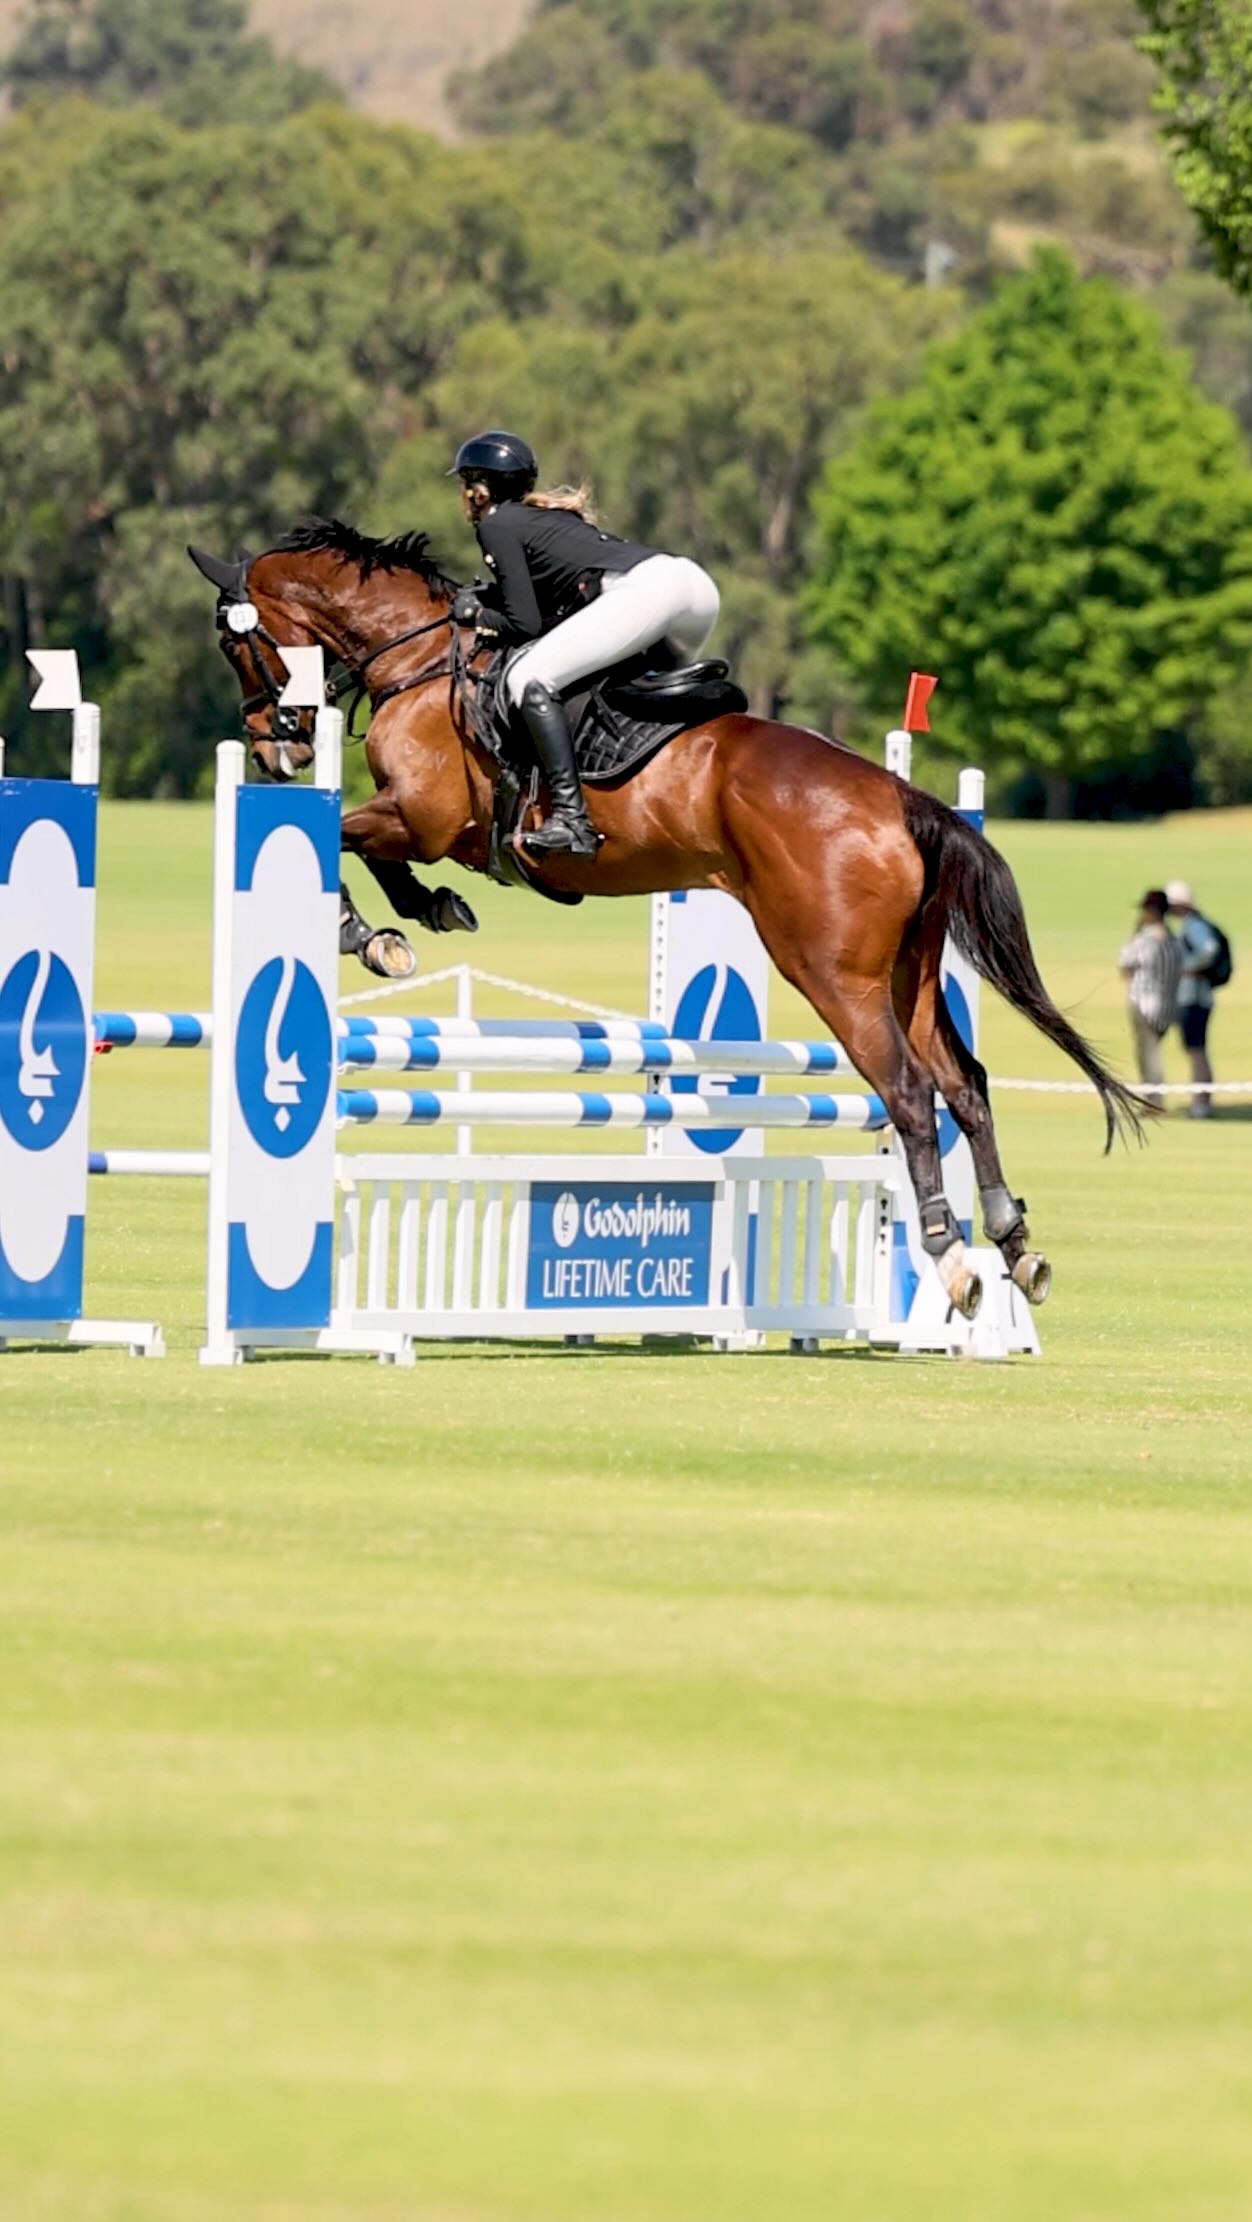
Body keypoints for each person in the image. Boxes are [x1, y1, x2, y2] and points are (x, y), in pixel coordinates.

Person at [451, 430, 720, 857]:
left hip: (648, 592)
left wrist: (477, 616)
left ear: (480, 490)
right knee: (633, 695)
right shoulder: (547, 517)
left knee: (528, 678)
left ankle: (571, 820)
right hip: (695, 587)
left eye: (465, 484)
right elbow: (554, 610)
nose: (463, 496)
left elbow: (524, 623)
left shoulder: (497, 524)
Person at [1166, 880, 1221, 1119]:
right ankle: (1201, 1101)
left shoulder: (1193, 925)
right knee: (1196, 1049)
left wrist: (1185, 968)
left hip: (1194, 998)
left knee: (1196, 1050)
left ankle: (1201, 1103)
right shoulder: (1193, 924)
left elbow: (1209, 950)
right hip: (1197, 997)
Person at [1118, 890, 1181, 1094]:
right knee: (1152, 1051)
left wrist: (1136, 930)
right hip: (1167, 1005)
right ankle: (1153, 1097)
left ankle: (1153, 1100)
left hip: (1143, 1003)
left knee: (1148, 1055)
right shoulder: (1174, 939)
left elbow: (1125, 963)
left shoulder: (1146, 939)